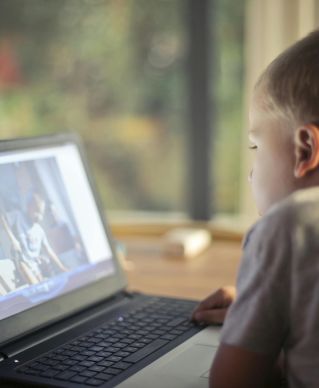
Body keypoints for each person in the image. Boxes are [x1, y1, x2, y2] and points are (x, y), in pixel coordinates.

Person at [192, 29, 319, 388]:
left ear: (305, 150)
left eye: (255, 147)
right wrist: (263, 308)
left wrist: (253, 331)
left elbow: (232, 382)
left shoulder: (289, 226)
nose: (251, 171)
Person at [0, 192, 68, 286]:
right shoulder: (18, 216)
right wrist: (12, 239)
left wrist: (62, 268)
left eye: (41, 213)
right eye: (37, 211)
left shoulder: (39, 230)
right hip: (21, 262)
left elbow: (49, 250)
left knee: (44, 285)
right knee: (36, 286)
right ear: (29, 207)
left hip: (35, 265)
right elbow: (2, 218)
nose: (39, 216)